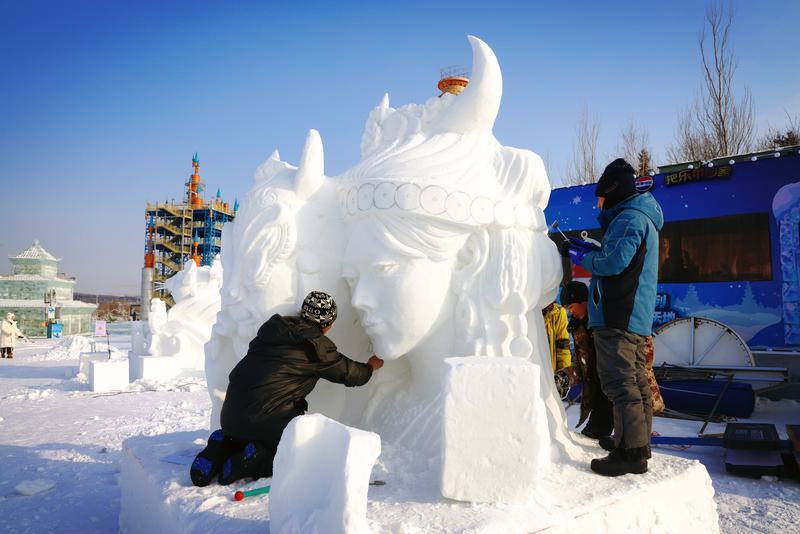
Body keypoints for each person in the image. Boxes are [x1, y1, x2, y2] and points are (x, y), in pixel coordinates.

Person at [190, 291, 384, 487]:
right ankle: (248, 463)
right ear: (327, 324)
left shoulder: (273, 330)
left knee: (251, 431)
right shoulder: (316, 349)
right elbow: (351, 375)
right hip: (263, 420)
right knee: (292, 456)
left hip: (231, 415)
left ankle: (224, 444)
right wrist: (371, 366)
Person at [565, 158, 663, 477]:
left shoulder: (629, 218)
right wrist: (592, 252)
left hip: (618, 314)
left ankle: (630, 453)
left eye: (601, 197)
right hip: (631, 315)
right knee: (633, 381)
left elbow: (613, 262)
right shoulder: (640, 217)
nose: (598, 203)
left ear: (614, 191)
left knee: (621, 383)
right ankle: (634, 443)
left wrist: (583, 256)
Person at [559, 281, 614, 440]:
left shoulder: (607, 319)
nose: (570, 312)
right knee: (592, 438)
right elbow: (581, 366)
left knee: (625, 440)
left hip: (618, 390)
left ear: (583, 301)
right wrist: (564, 377)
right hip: (600, 395)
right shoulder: (579, 328)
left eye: (570, 307)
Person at [543, 302, 571, 373]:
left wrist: (563, 374)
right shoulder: (525, 310)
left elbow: (563, 348)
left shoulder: (558, 313)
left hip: (550, 374)